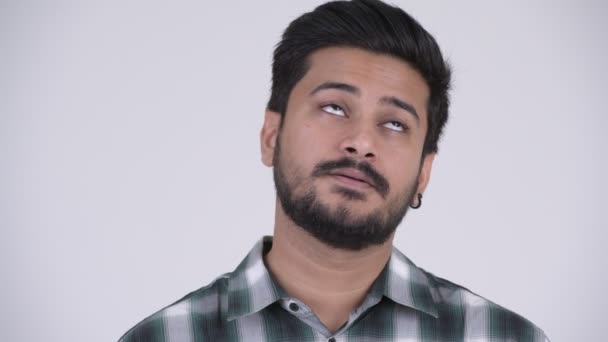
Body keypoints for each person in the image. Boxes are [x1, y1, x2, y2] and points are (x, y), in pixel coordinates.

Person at [119, 0, 549, 341]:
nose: (361, 142)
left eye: (395, 123)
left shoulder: (503, 337)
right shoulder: (164, 337)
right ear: (272, 135)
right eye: (334, 107)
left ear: (424, 173)